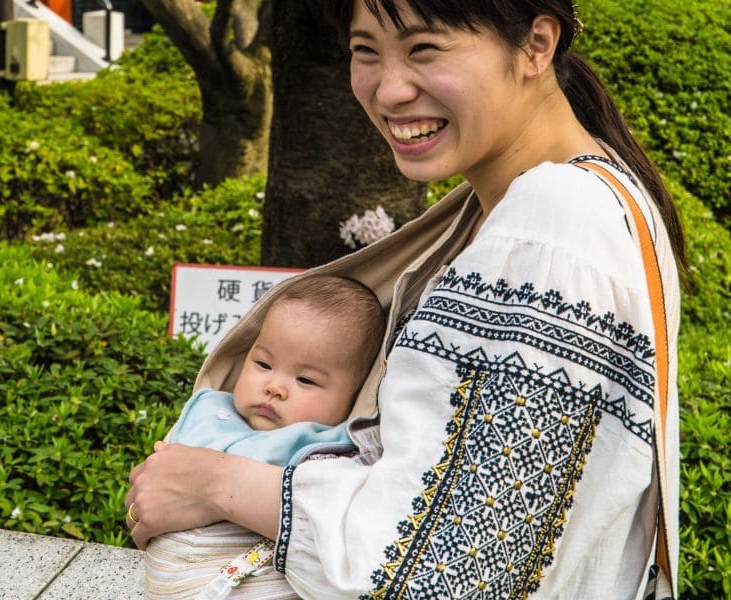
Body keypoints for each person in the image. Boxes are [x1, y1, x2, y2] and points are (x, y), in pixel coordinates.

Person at [125, 1, 684, 598]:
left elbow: (449, 568)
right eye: (365, 51)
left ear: (536, 46)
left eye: (424, 49)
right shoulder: (553, 197)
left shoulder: (549, 226)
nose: (388, 90)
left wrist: (215, 483)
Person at [141, 274, 385, 598]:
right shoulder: (213, 412)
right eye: (263, 363)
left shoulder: (330, 452)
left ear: (354, 397)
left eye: (306, 380)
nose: (274, 387)